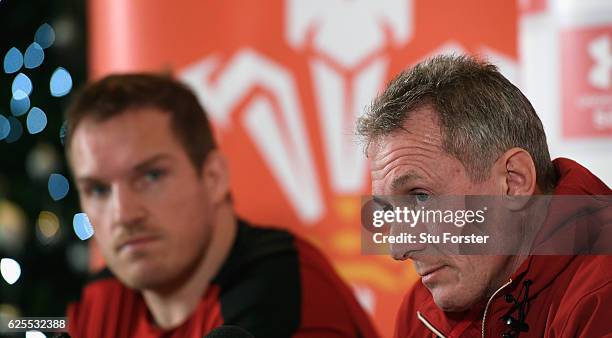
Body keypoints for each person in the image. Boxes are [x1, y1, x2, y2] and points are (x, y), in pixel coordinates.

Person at [64, 74, 379, 338]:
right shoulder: (100, 299)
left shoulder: (285, 294)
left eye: (151, 176)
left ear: (213, 177)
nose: (123, 214)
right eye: (98, 189)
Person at [357, 55, 612, 337]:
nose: (398, 248)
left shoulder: (601, 294)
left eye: (420, 198)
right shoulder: (420, 314)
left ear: (513, 182)